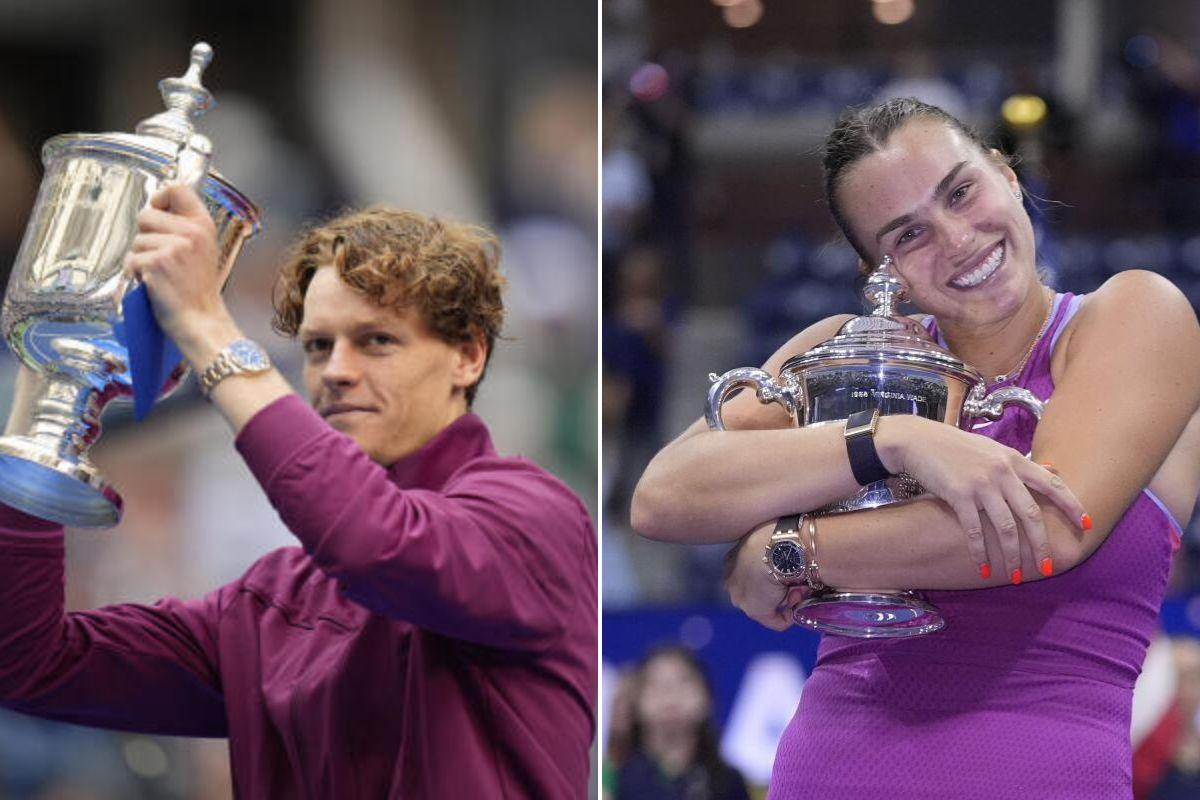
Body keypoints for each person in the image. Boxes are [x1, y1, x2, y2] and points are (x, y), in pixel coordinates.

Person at [631, 97, 1200, 798]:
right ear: (880, 268)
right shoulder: (848, 357)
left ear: (1005, 173)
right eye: (909, 235)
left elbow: (1047, 526)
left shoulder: (1138, 314)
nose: (958, 239)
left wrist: (787, 549)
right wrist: (892, 438)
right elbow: (663, 497)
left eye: (961, 192)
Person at [0, 187, 597, 798]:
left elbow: (375, 542)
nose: (335, 370)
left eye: (377, 341)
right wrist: (41, 406)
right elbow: (30, 661)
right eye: (317, 346)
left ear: (468, 355)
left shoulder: (534, 516)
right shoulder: (273, 601)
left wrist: (207, 326)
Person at [610, 644, 750, 800]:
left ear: (707, 697)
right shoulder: (614, 779)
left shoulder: (728, 781)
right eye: (656, 685)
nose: (670, 694)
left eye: (683, 682)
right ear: (635, 702)